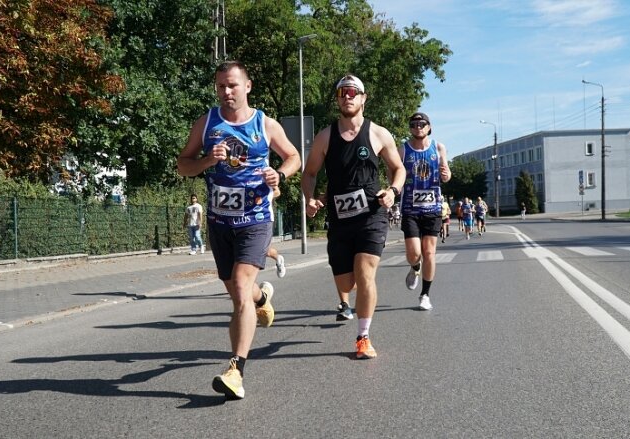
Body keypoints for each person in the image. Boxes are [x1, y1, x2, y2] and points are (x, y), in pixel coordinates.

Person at [177, 60, 300, 399]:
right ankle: (264, 297)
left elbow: (293, 156)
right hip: (219, 222)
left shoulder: (265, 124)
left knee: (241, 289)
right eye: (220, 86)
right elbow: (183, 164)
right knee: (238, 292)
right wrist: (207, 161)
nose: (226, 92)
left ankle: (236, 370)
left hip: (256, 219)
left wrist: (281, 175)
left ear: (247, 86)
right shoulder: (206, 124)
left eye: (232, 85)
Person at [301, 74, 406, 359]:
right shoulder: (326, 136)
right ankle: (356, 294)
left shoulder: (379, 133)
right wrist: (309, 199)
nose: (347, 96)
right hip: (339, 219)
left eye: (352, 92)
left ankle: (363, 337)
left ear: (363, 98)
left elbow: (398, 169)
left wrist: (393, 191)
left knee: (365, 273)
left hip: (371, 215)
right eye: (342, 93)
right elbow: (309, 173)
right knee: (348, 284)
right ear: (338, 99)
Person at [399, 112, 452, 310]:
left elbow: (446, 176)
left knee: (429, 252)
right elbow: (393, 172)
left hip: (433, 207)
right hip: (410, 208)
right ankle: (414, 267)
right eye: (414, 124)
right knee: (414, 254)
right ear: (410, 128)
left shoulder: (438, 148)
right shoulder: (402, 150)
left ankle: (425, 295)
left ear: (429, 127)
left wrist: (447, 174)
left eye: (422, 124)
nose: (418, 127)